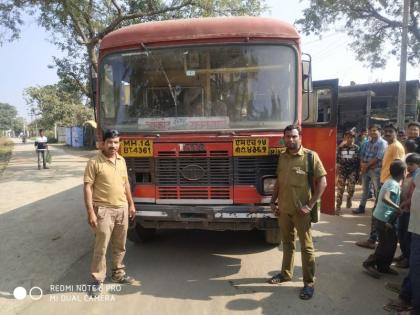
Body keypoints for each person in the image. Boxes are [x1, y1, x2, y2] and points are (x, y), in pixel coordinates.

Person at [267, 124, 327, 300]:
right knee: (287, 243)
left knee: (307, 247)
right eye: (287, 137)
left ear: (300, 137)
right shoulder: (282, 157)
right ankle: (286, 274)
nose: (290, 139)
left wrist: (309, 205)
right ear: (284, 138)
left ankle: (309, 283)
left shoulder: (310, 157)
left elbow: (323, 182)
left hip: (302, 212)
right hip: (284, 210)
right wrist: (272, 201)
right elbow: (279, 181)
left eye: (294, 136)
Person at [83, 129, 136, 297]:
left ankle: (118, 274)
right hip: (103, 210)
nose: (113, 146)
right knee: (102, 246)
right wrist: (91, 212)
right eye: (110, 142)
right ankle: (97, 280)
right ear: (103, 143)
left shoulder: (121, 160)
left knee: (120, 245)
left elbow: (126, 184)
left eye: (116, 142)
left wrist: (131, 204)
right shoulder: (94, 162)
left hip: (122, 209)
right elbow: (87, 188)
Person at [384, 154, 420, 313]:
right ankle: (406, 294)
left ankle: (412, 303)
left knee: (415, 264)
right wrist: (403, 206)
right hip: (414, 223)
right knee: (414, 263)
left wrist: (401, 207)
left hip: (415, 225)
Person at [362, 160, 406, 277]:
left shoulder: (391, 181)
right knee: (385, 245)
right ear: (403, 172)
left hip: (385, 218)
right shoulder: (393, 184)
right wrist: (397, 207)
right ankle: (369, 263)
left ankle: (383, 266)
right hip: (383, 219)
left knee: (391, 244)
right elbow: (385, 198)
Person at [395, 153, 420, 268]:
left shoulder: (417, 176)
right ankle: (405, 254)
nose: (408, 166)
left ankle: (408, 258)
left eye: (411, 164)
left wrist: (404, 204)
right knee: (401, 233)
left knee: (407, 236)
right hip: (404, 209)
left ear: (418, 165)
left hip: (410, 211)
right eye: (407, 164)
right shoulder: (408, 175)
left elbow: (413, 196)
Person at [336, 130, 360, 214]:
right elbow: (338, 160)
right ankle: (338, 207)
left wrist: (358, 174)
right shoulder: (341, 148)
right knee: (340, 190)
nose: (350, 139)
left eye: (352, 137)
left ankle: (349, 198)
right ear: (345, 138)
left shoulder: (356, 148)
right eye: (348, 137)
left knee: (351, 189)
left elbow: (358, 161)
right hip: (343, 171)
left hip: (352, 171)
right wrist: (337, 173)